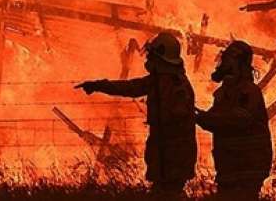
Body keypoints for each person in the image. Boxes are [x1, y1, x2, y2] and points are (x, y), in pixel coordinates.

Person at [76, 31, 197, 193]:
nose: (148, 59)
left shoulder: (175, 85)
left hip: (173, 156)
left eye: (151, 55)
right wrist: (99, 85)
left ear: (160, 57)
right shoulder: (162, 80)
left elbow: (176, 121)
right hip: (165, 155)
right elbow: (130, 87)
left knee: (170, 192)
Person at [195, 41, 273, 200]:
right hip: (230, 166)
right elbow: (215, 119)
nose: (224, 64)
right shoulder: (223, 93)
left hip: (248, 166)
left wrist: (204, 117)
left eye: (229, 60)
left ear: (241, 64)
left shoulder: (248, 92)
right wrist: (197, 116)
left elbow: (239, 119)